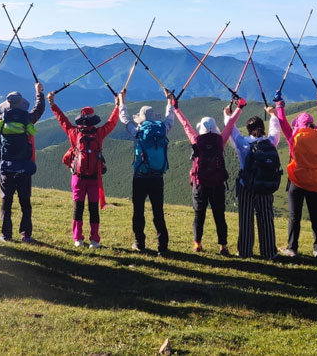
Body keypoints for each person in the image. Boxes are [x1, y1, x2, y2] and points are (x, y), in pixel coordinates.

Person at [47, 90, 120, 249]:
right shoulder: (99, 133)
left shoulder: (74, 133)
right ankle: (95, 240)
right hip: (94, 176)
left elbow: (63, 120)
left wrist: (52, 104)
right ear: (93, 119)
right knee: (93, 209)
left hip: (78, 176)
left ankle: (77, 239)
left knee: (78, 207)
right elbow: (112, 123)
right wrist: (118, 105)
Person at [275, 91, 317, 258]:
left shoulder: (294, 137)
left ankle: (292, 248)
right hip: (316, 182)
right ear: (312, 124)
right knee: (316, 216)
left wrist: (279, 104)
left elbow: (283, 123)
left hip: (296, 180)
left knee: (295, 215)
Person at [172, 99, 236, 255]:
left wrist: (176, 108)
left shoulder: (196, 140)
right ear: (214, 128)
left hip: (200, 183)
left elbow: (186, 125)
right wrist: (238, 108)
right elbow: (230, 124)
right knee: (219, 215)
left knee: (199, 214)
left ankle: (197, 243)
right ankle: (223, 246)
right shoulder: (220, 140)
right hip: (217, 184)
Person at [0, 82, 45, 243]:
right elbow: (39, 109)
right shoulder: (27, 119)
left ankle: (6, 235)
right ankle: (26, 234)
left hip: (6, 168)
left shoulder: (1, 120)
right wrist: (39, 92)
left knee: (7, 202)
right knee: (25, 202)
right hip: (24, 167)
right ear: (22, 104)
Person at [118, 89, 175, 256]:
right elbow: (170, 117)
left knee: (138, 211)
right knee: (158, 211)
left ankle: (139, 243)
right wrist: (169, 101)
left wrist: (122, 101)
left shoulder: (138, 132)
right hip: (157, 177)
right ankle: (162, 246)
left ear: (142, 118)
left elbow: (125, 119)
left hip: (140, 177)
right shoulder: (162, 129)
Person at [224, 102, 282, 260]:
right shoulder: (270, 143)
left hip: (246, 186)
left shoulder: (242, 143)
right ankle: (269, 252)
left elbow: (231, 130)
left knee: (246, 219)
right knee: (266, 218)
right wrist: (273, 114)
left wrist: (227, 114)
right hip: (265, 185)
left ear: (248, 130)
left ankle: (244, 251)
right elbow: (275, 130)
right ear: (262, 128)